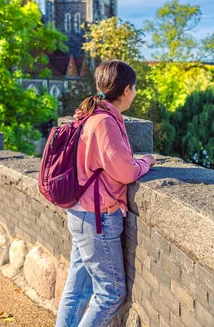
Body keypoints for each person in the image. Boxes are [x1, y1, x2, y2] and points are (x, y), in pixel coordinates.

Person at [55, 60, 156, 327]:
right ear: (126, 90)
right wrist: (146, 161)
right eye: (134, 88)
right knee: (110, 294)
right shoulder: (104, 122)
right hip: (97, 217)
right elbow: (125, 172)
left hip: (81, 212)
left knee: (77, 290)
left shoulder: (90, 114)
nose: (135, 93)